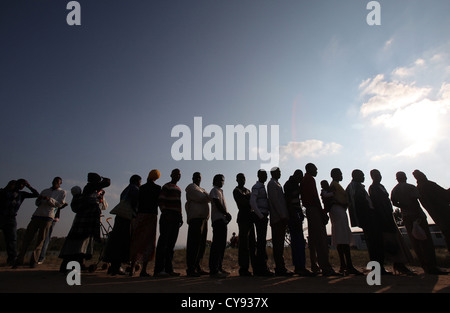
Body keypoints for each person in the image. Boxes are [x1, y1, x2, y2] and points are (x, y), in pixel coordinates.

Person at [391, 172, 447, 275]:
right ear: (405, 177)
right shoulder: (411, 187)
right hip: (417, 216)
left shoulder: (395, 190)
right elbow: (416, 200)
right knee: (426, 241)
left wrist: (402, 206)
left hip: (406, 217)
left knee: (416, 242)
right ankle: (431, 266)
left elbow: (394, 202)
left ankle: (424, 265)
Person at [59, 173, 111, 273]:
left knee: (82, 241)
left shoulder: (90, 189)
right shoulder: (90, 187)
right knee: (80, 241)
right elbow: (108, 182)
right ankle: (70, 265)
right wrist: (104, 178)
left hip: (84, 219)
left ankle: (77, 263)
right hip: (86, 219)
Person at [13, 177, 67, 268]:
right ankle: (19, 260)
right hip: (37, 215)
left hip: (48, 216)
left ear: (60, 183)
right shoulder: (45, 190)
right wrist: (41, 199)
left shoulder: (62, 192)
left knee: (41, 240)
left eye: (57, 182)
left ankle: (34, 260)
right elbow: (37, 202)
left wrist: (49, 199)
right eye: (54, 181)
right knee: (27, 238)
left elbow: (59, 204)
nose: (55, 183)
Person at [369, 169, 414, 275]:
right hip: (384, 219)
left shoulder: (381, 187)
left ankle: (399, 264)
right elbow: (378, 204)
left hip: (389, 216)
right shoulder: (373, 188)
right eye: (376, 175)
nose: (379, 177)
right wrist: (384, 218)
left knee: (396, 240)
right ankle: (398, 264)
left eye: (379, 175)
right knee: (391, 242)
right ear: (372, 177)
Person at [346, 169, 390, 275]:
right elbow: (357, 203)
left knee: (375, 243)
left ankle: (379, 267)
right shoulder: (354, 187)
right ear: (355, 176)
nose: (364, 177)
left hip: (368, 217)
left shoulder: (356, 187)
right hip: (367, 217)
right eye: (362, 175)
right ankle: (377, 268)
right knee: (375, 243)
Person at [300, 163, 338, 276]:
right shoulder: (310, 179)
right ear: (310, 169)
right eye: (315, 169)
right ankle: (325, 267)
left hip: (309, 210)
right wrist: (322, 212)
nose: (317, 170)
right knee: (321, 239)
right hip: (314, 209)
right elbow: (314, 197)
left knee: (313, 240)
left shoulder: (304, 180)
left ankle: (314, 265)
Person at [104, 175, 141, 275]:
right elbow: (135, 203)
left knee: (116, 240)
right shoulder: (135, 189)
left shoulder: (126, 190)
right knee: (123, 241)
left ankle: (114, 266)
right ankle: (117, 267)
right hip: (127, 218)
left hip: (120, 216)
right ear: (137, 181)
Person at [327, 169, 362, 275]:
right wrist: (341, 204)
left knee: (341, 237)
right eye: (340, 174)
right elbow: (330, 198)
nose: (342, 175)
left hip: (339, 210)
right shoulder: (333, 185)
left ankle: (344, 265)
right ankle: (348, 265)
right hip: (338, 210)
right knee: (343, 237)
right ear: (334, 175)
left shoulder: (336, 185)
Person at [129, 170, 162, 277]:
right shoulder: (157, 188)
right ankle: (143, 270)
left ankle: (132, 267)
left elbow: (136, 202)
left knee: (137, 240)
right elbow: (159, 202)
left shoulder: (141, 188)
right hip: (151, 216)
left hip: (140, 215)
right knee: (148, 242)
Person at [0, 179, 39, 265]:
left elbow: (36, 194)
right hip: (1, 216)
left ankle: (12, 259)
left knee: (12, 239)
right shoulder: (3, 192)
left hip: (11, 218)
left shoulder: (21, 194)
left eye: (23, 185)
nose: (22, 186)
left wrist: (29, 186)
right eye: (21, 184)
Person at [284, 170, 313, 276]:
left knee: (299, 242)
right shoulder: (290, 185)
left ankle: (300, 266)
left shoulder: (294, 184)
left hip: (296, 214)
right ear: (297, 176)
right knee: (297, 242)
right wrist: (295, 214)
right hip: (293, 216)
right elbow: (289, 201)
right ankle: (299, 267)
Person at [154, 169, 183, 277]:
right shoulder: (166, 186)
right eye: (175, 174)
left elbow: (179, 204)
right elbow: (161, 200)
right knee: (163, 244)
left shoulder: (178, 189)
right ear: (171, 175)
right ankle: (159, 270)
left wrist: (180, 217)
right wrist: (165, 213)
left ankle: (168, 269)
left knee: (171, 245)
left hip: (175, 218)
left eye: (179, 175)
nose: (177, 176)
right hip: (167, 217)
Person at [413, 170, 450, 253]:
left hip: (436, 216)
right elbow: (446, 195)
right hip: (445, 213)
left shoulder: (419, 189)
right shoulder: (429, 185)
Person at [267, 167, 293, 276]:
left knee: (280, 244)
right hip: (278, 218)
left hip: (280, 218)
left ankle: (281, 266)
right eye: (278, 172)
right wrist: (283, 216)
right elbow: (275, 201)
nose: (280, 173)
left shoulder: (277, 184)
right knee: (278, 244)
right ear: (273, 173)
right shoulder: (272, 184)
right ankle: (279, 268)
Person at [185, 172, 210, 277]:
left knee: (201, 244)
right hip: (196, 219)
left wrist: (206, 196)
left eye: (199, 177)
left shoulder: (202, 189)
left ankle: (198, 266)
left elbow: (207, 198)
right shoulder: (191, 187)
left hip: (204, 219)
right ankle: (191, 268)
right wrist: (206, 196)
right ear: (193, 178)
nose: (198, 178)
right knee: (194, 244)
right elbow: (203, 198)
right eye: (196, 177)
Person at [249, 170, 273, 276]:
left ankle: (261, 267)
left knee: (261, 242)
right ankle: (261, 268)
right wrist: (261, 215)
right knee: (261, 242)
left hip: (263, 216)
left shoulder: (263, 187)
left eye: (266, 175)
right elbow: (252, 202)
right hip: (260, 217)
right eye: (263, 175)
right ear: (258, 176)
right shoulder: (256, 187)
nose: (265, 177)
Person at [233, 173, 256, 276]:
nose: (242, 180)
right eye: (240, 178)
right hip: (243, 218)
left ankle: (255, 267)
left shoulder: (247, 190)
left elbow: (252, 201)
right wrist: (250, 200)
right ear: (237, 179)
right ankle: (243, 268)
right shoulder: (236, 191)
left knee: (252, 244)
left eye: (244, 178)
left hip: (250, 218)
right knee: (244, 245)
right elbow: (244, 203)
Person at [209, 174, 232, 278]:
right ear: (216, 180)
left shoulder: (220, 191)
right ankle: (214, 269)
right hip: (218, 220)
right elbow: (217, 203)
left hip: (222, 220)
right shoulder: (214, 190)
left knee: (222, 245)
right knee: (217, 245)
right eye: (221, 180)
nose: (223, 182)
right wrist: (226, 213)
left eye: (223, 180)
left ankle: (219, 267)